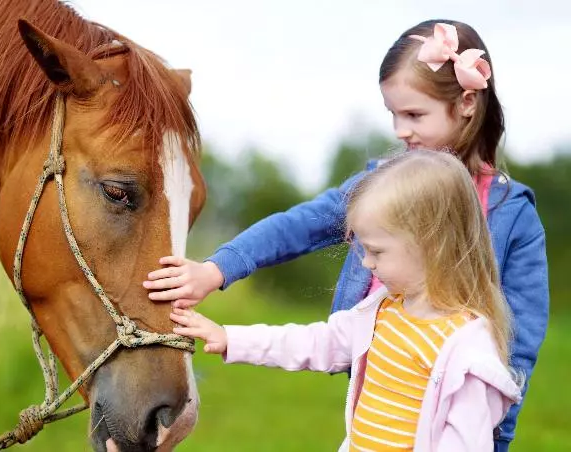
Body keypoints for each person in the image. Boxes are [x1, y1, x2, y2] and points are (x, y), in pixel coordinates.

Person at [144, 20, 548, 450]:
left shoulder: (511, 215)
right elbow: (297, 226)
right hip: (383, 386)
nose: (399, 130)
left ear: (468, 102)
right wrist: (216, 269)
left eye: (414, 114)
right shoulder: (381, 188)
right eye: (393, 114)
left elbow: (515, 349)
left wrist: (496, 436)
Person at [170, 150, 523, 451]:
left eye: (376, 251)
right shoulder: (382, 312)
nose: (366, 264)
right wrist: (231, 338)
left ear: (432, 245)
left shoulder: (470, 358)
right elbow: (316, 342)